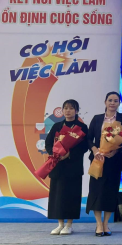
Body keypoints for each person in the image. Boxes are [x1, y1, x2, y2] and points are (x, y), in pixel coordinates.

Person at [86, 92, 122, 236]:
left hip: (115, 161)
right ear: (105, 102)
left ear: (119, 103)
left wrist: (116, 151)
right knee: (96, 192)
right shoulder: (97, 118)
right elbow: (88, 138)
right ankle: (98, 224)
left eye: (115, 101)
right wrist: (95, 150)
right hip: (98, 160)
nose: (112, 103)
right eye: (110, 100)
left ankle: (106, 224)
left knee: (110, 192)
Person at [47, 99, 89, 235]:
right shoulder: (57, 126)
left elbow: (85, 146)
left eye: (71, 108)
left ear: (76, 111)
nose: (68, 111)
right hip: (58, 165)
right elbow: (48, 143)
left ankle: (69, 225)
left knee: (72, 195)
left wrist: (69, 154)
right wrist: (55, 153)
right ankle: (60, 224)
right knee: (58, 195)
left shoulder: (82, 127)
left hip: (73, 166)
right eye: (65, 108)